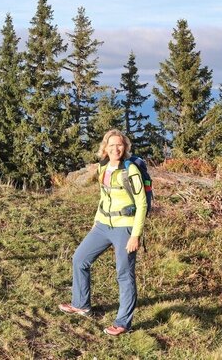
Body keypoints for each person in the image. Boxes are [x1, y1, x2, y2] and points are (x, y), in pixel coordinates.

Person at [58, 129, 148, 336]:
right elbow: (103, 197)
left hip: (124, 227)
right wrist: (96, 222)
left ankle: (123, 323)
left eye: (120, 145)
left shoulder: (131, 170)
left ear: (125, 147)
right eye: (112, 145)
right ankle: (81, 304)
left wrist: (135, 234)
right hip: (102, 226)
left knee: (124, 274)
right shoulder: (103, 168)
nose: (116, 149)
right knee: (80, 259)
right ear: (105, 148)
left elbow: (141, 204)